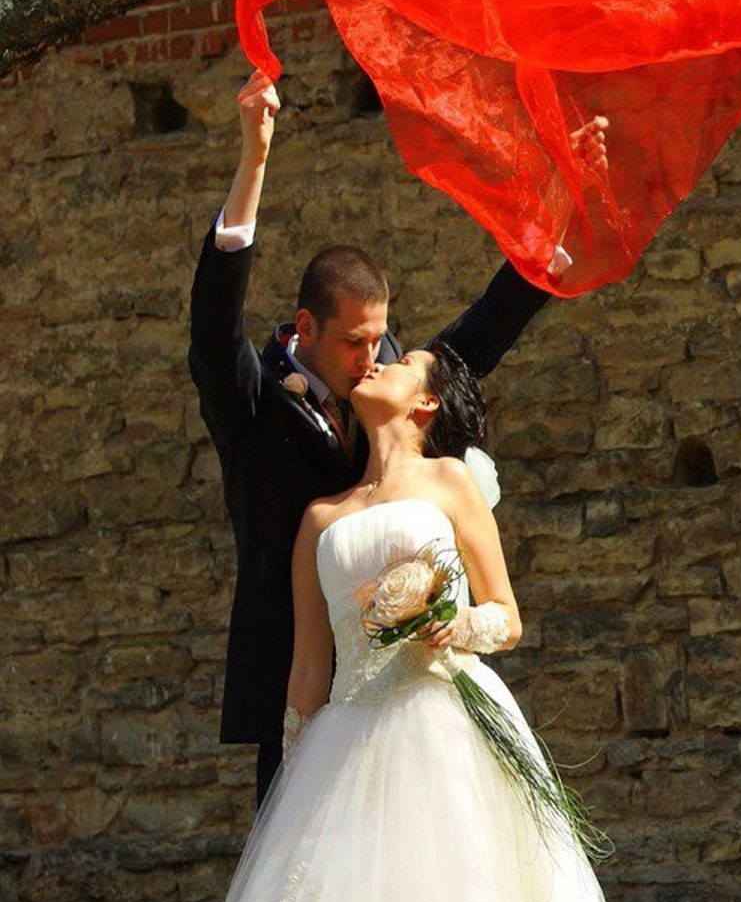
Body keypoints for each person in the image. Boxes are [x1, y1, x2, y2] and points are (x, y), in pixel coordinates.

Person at [120, 340, 680, 902]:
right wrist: (289, 796)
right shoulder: (321, 521)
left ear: (426, 405)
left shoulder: (449, 483)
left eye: (402, 359)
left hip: (451, 723)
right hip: (349, 742)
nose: (379, 359)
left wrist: (459, 628)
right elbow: (310, 670)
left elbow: (509, 614)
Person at [189, 68, 607, 806]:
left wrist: (559, 206)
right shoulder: (251, 400)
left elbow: (486, 330)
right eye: (355, 343)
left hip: (410, 686)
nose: (372, 359)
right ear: (305, 329)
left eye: (383, 341)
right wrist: (252, 161)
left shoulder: (392, 380)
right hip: (300, 672)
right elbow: (212, 326)